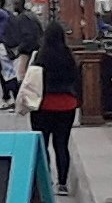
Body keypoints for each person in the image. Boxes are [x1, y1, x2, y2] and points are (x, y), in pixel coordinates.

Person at [31, 18, 85, 191]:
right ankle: (62, 183)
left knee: (43, 144)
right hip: (66, 104)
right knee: (62, 144)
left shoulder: (40, 55)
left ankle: (45, 181)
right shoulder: (69, 56)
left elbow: (33, 80)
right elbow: (77, 79)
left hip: (44, 104)